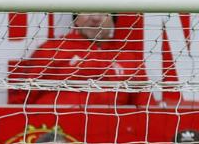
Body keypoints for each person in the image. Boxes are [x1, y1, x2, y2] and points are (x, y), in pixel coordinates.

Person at [8, 13, 147, 107]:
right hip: (57, 138)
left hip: (112, 139)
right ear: (76, 17)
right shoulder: (52, 50)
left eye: (104, 12)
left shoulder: (130, 60)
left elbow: (145, 107)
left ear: (113, 19)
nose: (95, 18)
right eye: (88, 11)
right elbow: (20, 100)